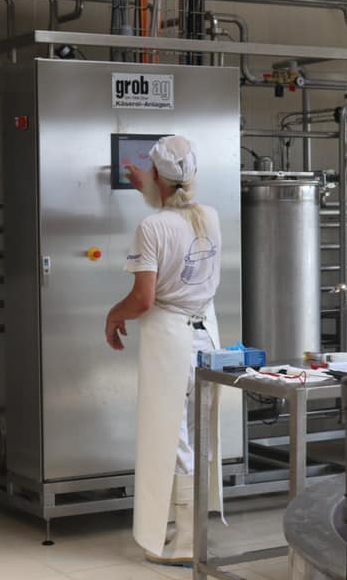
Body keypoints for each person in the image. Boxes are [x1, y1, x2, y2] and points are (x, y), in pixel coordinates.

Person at [105, 135, 224, 567]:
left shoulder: (151, 228)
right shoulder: (208, 216)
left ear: (159, 175)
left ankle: (187, 541)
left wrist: (112, 315)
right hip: (206, 337)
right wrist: (148, 187)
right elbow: (176, 220)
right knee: (198, 431)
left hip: (171, 342)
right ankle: (193, 529)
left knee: (172, 438)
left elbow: (143, 300)